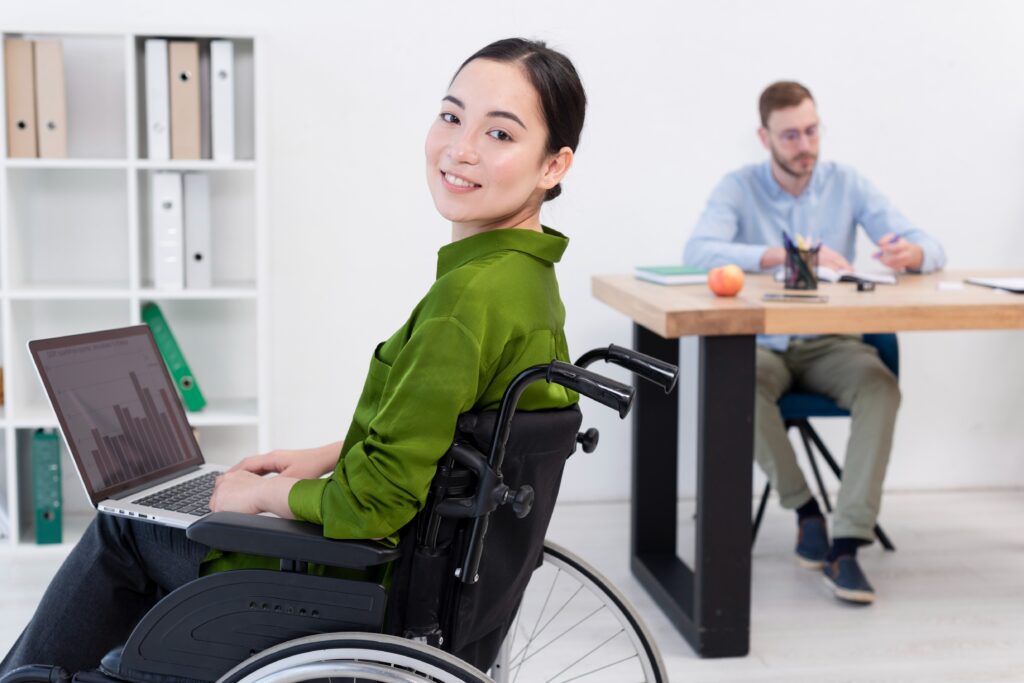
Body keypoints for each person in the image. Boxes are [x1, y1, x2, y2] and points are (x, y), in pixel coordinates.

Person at [1, 37, 587, 672]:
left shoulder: (465, 302)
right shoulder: (527, 282)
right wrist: (324, 456)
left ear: (553, 166)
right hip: (426, 573)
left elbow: (370, 506)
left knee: (127, 529)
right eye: (451, 116)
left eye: (500, 134)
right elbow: (464, 436)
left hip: (359, 585)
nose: (460, 148)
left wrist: (264, 498)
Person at [683, 81, 945, 605]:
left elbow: (931, 246)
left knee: (881, 388)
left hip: (832, 343)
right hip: (763, 344)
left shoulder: (847, 183)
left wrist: (910, 255)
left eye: (811, 130)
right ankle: (806, 511)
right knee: (733, 383)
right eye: (791, 135)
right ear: (765, 137)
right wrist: (789, 256)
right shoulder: (739, 186)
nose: (805, 145)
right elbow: (697, 251)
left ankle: (846, 542)